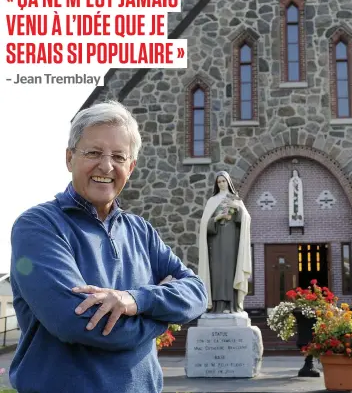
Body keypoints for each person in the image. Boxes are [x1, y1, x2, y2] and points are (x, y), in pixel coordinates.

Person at [9, 101, 208, 393]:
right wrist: (163, 320)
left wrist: (136, 300)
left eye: (118, 156)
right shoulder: (38, 226)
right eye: (93, 152)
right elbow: (77, 323)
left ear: (131, 167)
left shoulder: (142, 231)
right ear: (69, 158)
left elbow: (197, 293)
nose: (106, 166)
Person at [197, 171, 252, 314]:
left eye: (223, 181)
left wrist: (238, 208)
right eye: (219, 182)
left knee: (230, 270)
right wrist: (216, 218)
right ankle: (217, 306)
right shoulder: (212, 201)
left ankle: (231, 305)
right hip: (215, 242)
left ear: (228, 182)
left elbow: (246, 219)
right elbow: (204, 225)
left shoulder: (236, 199)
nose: (221, 184)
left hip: (232, 240)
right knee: (217, 273)